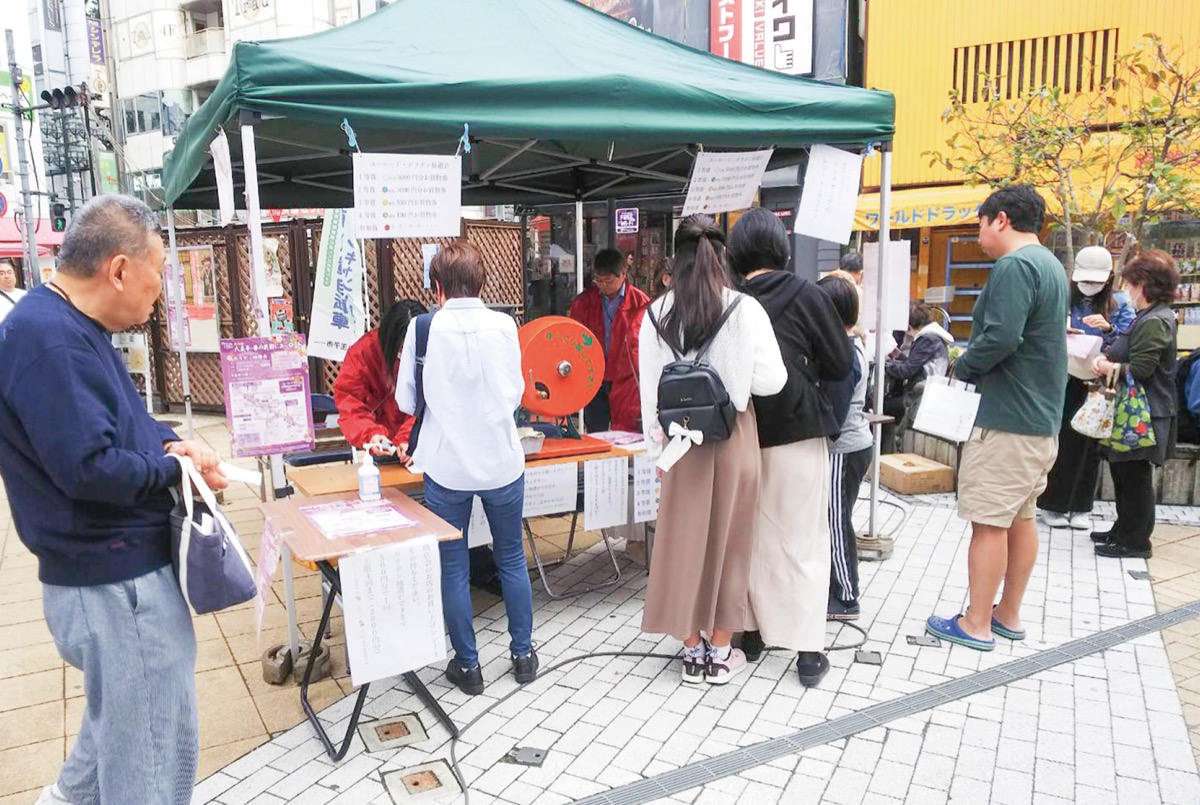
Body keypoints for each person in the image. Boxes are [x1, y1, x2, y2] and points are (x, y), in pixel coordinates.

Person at [0, 195, 228, 804]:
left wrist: (173, 444)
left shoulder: (66, 326)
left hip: (106, 574)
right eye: (156, 279)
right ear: (120, 269)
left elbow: (119, 424)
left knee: (123, 725)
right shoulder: (51, 340)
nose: (158, 296)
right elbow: (90, 468)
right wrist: (170, 473)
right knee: (153, 748)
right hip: (113, 579)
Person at [639, 214, 786, 685]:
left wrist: (654, 454)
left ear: (674, 260)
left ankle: (691, 649)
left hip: (679, 441)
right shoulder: (745, 309)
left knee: (680, 545)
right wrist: (732, 375)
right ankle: (722, 652)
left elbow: (650, 392)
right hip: (734, 435)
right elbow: (773, 380)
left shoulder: (655, 314)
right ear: (721, 255)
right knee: (733, 544)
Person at [925, 184, 1068, 651]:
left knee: (988, 523)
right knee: (1020, 519)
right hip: (1039, 419)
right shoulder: (1049, 264)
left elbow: (1001, 337)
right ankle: (1007, 614)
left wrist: (963, 365)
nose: (980, 234)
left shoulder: (1014, 266)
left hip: (1007, 418)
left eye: (981, 224)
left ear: (1001, 219)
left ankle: (976, 623)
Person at [396, 240, 537, 695]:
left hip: (447, 466)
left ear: (436, 287)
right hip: (502, 461)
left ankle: (468, 666)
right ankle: (523, 656)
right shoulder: (505, 325)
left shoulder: (421, 329)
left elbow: (405, 401)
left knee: (453, 568)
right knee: (512, 557)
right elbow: (515, 391)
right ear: (482, 283)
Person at [727, 208, 851, 687]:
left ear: (736, 254)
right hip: (799, 431)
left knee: (750, 540)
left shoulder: (732, 301)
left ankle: (753, 633)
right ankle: (808, 649)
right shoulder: (809, 294)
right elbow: (841, 363)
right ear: (781, 247)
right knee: (802, 541)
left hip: (743, 435)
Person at [1038, 246, 1136, 529]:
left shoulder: (1118, 304)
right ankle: (1051, 504)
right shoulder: (1063, 299)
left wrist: (1107, 330)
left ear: (1108, 279)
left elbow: (1128, 343)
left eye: (1095, 281)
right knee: (1060, 442)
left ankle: (1081, 507)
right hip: (1062, 377)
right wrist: (1062, 331)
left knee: (1089, 446)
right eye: (1084, 280)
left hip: (1096, 383)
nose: (1088, 287)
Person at [1090, 249, 1180, 559]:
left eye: (1130, 283)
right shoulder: (1149, 316)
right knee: (1124, 474)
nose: (1127, 290)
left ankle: (1136, 541)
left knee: (1136, 478)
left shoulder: (1156, 319)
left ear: (1143, 283)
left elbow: (1142, 369)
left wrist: (1106, 367)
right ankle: (1123, 530)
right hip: (1137, 411)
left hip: (1147, 413)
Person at [818, 274, 875, 625]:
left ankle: (846, 595)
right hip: (852, 446)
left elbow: (835, 417)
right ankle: (836, 586)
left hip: (844, 448)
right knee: (834, 519)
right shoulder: (850, 345)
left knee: (836, 521)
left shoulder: (843, 355)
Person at [569, 248, 650, 432]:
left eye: (608, 280)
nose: (602, 285)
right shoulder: (584, 302)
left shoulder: (640, 302)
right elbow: (573, 337)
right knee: (596, 429)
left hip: (626, 377)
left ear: (623, 274)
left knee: (626, 429)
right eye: (598, 280)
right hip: (593, 375)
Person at [334, 299, 427, 459]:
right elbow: (350, 404)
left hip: (423, 446)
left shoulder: (431, 350)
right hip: (381, 446)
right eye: (401, 349)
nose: (405, 354)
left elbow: (429, 402)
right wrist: (371, 434)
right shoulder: (364, 353)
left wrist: (410, 438)